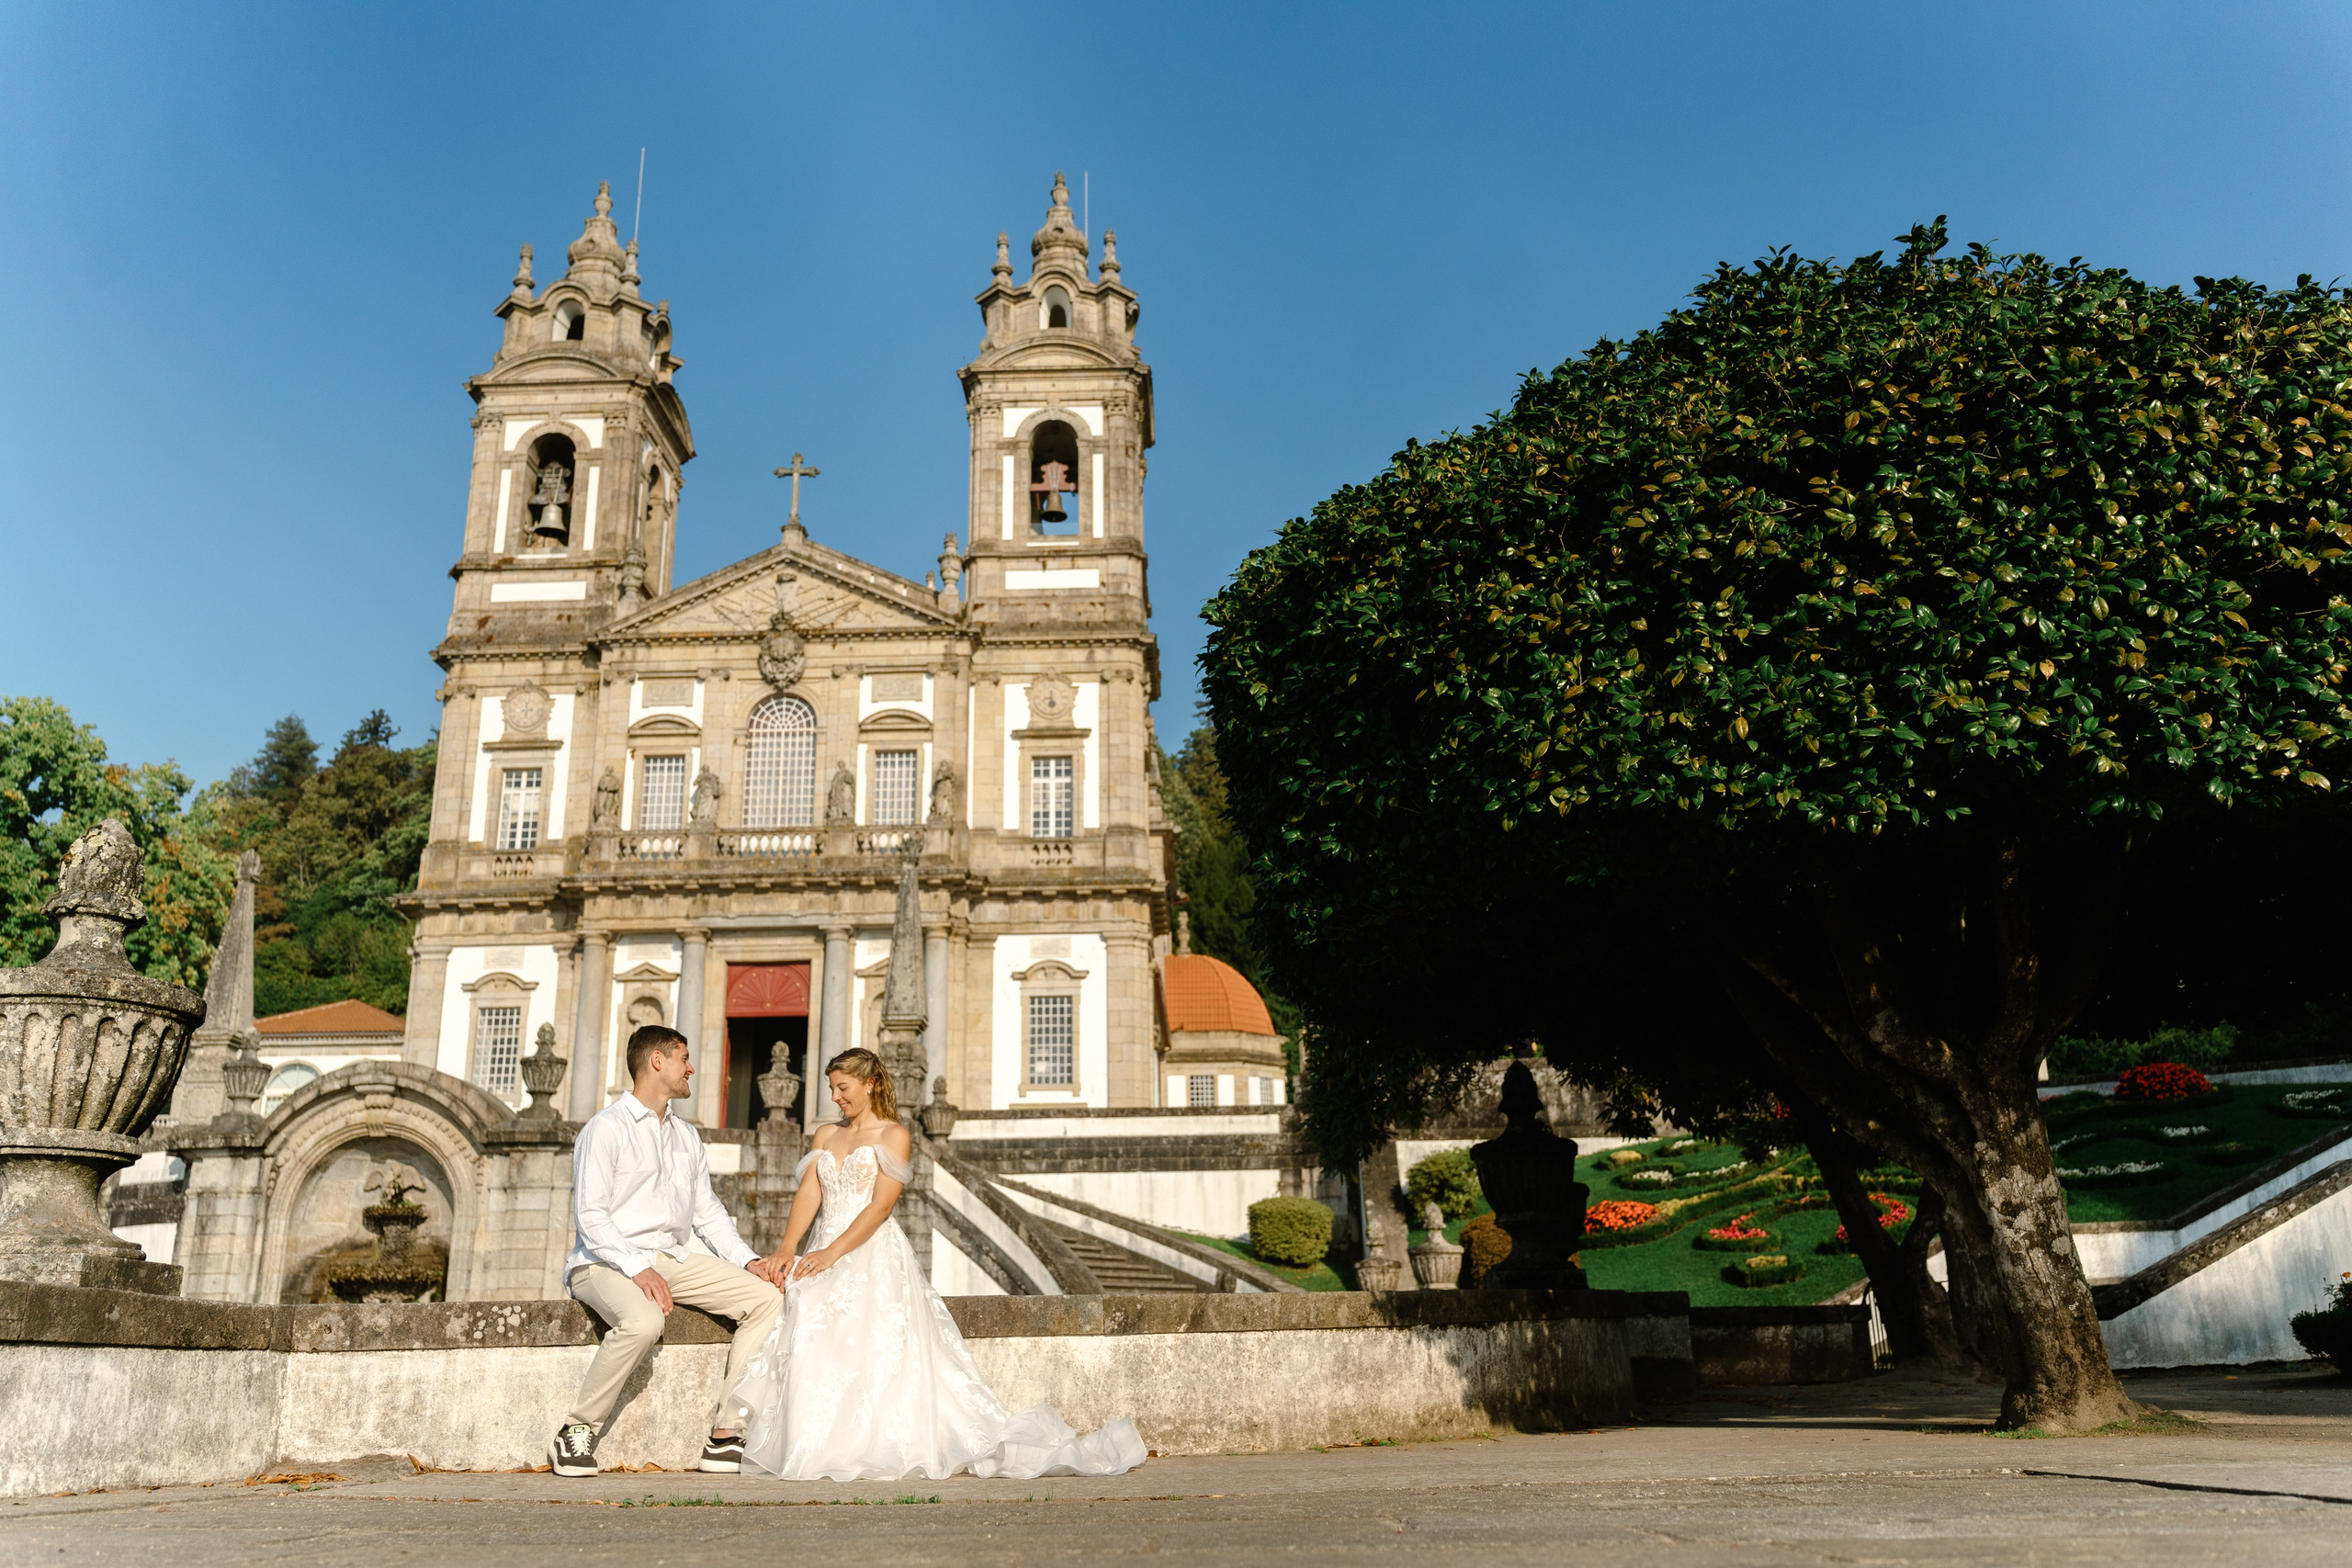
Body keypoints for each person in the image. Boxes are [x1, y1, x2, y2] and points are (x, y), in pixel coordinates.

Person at [729, 1047, 1146, 1481]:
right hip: (821, 1246)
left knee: (874, 1347)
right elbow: (810, 1194)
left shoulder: (894, 1136)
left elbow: (880, 1208)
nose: (835, 1097)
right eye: (832, 1088)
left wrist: (832, 1253)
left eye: (843, 1087)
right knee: (814, 1334)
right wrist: (786, 1249)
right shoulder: (824, 1136)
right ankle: (811, 1443)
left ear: (870, 1083)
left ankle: (871, 1442)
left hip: (870, 1253)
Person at [549, 1024, 785, 1478]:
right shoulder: (605, 1128)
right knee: (644, 1321)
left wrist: (748, 1261)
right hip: (602, 1261)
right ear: (657, 1061)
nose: (692, 1068)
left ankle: (725, 1434)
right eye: (684, 1059)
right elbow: (592, 1218)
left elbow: (708, 1213)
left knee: (768, 1300)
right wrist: (640, 1269)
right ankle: (576, 1431)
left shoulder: (686, 1136)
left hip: (671, 1260)